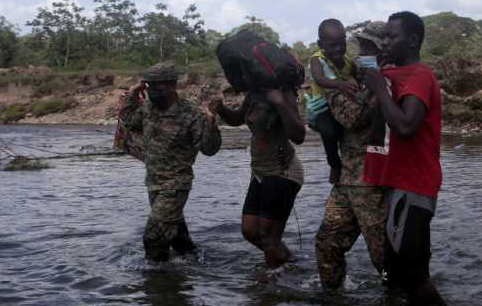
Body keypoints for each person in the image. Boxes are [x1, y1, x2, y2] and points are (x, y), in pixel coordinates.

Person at [364, 11, 446, 306]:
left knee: (411, 273)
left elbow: (406, 126)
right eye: (383, 36)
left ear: (411, 41)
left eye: (391, 36)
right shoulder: (389, 75)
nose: (384, 42)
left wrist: (378, 89)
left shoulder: (420, 76)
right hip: (396, 184)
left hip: (415, 184)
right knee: (393, 271)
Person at [120, 62, 222, 262]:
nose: (155, 91)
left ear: (172, 84)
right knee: (178, 240)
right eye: (150, 86)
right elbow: (129, 121)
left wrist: (211, 122)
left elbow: (209, 149)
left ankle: (158, 285)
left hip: (175, 185)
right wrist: (133, 93)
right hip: (153, 182)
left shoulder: (191, 114)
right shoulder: (147, 108)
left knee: (154, 238)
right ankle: (194, 269)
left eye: (159, 86)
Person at [315, 21, 388, 289]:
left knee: (382, 256)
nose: (361, 52)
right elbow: (349, 117)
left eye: (368, 47)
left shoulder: (391, 80)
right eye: (361, 45)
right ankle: (333, 301)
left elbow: (354, 117)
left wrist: (377, 85)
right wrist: (371, 88)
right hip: (349, 178)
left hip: (373, 181)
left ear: (382, 52)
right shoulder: (347, 78)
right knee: (327, 244)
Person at [214, 83, 305, 269]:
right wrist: (221, 108)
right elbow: (237, 118)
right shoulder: (254, 94)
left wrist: (280, 103)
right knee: (249, 231)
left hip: (282, 170)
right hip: (260, 171)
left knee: (268, 234)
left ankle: (272, 282)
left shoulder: (284, 92)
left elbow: (299, 135)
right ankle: (288, 263)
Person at [307, 18, 359, 184]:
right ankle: (334, 164)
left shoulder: (349, 62)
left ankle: (347, 167)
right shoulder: (317, 58)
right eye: (332, 45)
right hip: (323, 108)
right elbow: (319, 79)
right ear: (320, 44)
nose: (338, 49)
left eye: (341, 43)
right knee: (329, 135)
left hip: (344, 108)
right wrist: (341, 84)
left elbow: (357, 78)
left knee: (345, 136)